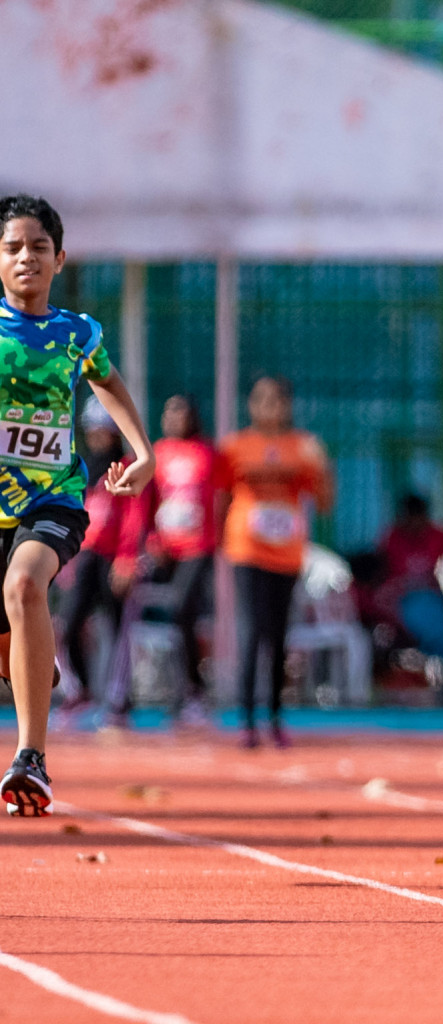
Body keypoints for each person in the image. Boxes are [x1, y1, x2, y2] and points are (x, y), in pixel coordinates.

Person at [0, 194, 155, 817]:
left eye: (38, 247)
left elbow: (108, 382)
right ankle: (28, 661)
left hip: (52, 498)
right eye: (12, 248)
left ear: (59, 259)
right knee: (10, 626)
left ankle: (30, 756)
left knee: (24, 587)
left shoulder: (77, 333)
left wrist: (142, 451)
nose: (26, 258)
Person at [219, 376, 333, 750]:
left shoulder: (302, 447)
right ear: (251, 404)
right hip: (247, 550)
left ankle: (275, 717)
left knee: (279, 635)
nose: (269, 407)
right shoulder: (236, 447)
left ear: (288, 405)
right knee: (250, 632)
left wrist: (323, 466)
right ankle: (247, 720)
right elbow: (220, 495)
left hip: (286, 554)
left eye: (277, 400)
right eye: (261, 399)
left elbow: (325, 500)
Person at [107, 394, 223, 727]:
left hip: (198, 547)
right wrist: (147, 544)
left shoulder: (208, 453)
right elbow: (145, 505)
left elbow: (219, 498)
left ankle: (193, 692)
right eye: (169, 412)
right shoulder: (156, 453)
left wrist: (218, 539)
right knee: (140, 612)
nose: (174, 418)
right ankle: (123, 698)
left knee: (182, 607)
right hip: (164, 549)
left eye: (181, 412)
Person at [56, 399, 146, 715]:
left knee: (118, 628)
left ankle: (119, 698)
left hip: (114, 559)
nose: (97, 437)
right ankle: (79, 690)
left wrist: (127, 559)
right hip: (86, 555)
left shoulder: (126, 465)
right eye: (92, 430)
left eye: (103, 430)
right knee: (68, 624)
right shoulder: (82, 469)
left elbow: (134, 518)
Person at [376, 492, 443, 667]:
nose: (412, 523)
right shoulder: (392, 538)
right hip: (402, 603)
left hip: (438, 601)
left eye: (416, 517)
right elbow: (384, 581)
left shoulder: (441, 537)